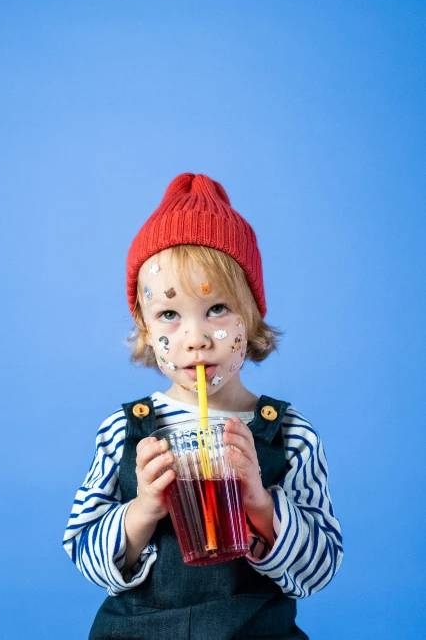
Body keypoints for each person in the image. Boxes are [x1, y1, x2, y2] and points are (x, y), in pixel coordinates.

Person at [63, 173, 343, 640]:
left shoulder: (291, 434)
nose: (195, 339)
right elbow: (84, 550)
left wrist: (260, 502)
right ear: (147, 331)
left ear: (251, 316)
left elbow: (320, 570)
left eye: (217, 309)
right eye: (170, 315)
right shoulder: (123, 430)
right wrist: (144, 509)